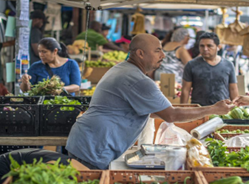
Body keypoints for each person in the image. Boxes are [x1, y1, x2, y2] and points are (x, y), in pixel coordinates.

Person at [65, 34, 234, 169]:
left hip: (88, 140)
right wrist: (212, 109)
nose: (162, 55)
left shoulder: (122, 68)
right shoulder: (138, 79)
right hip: (94, 147)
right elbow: (171, 115)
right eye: (157, 51)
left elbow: (148, 110)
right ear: (140, 54)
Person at [180, 32, 239, 106]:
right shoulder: (191, 65)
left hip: (222, 109)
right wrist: (183, 110)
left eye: (209, 46)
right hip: (198, 110)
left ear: (218, 47)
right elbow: (185, 90)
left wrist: (236, 108)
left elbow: (233, 89)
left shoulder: (228, 65)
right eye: (202, 46)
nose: (205, 49)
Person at [0, 148, 89, 184]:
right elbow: (25, 172)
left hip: (7, 161)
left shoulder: (77, 166)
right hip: (2, 169)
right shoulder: (58, 166)